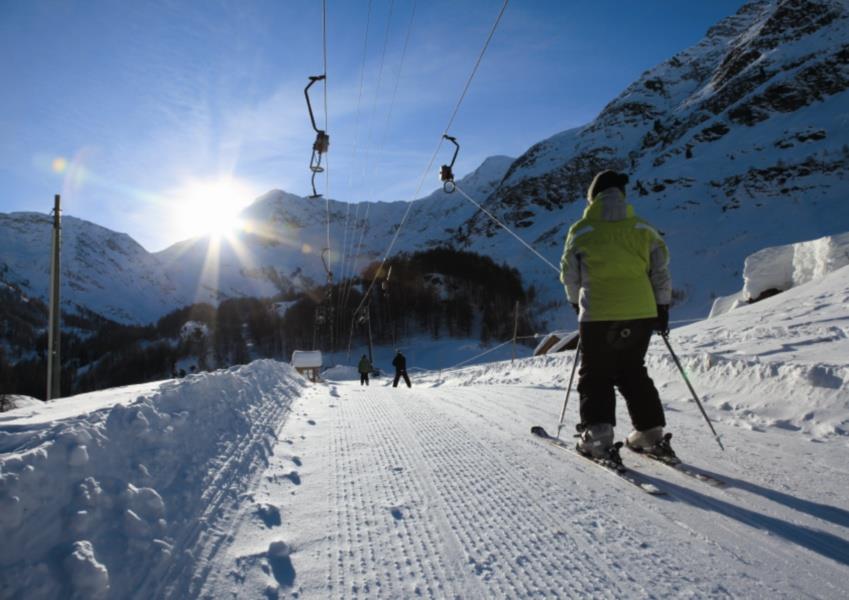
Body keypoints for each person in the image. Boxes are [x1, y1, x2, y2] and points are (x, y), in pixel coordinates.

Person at [560, 169, 675, 461]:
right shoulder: (643, 229)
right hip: (641, 312)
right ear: (621, 195)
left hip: (598, 314)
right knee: (632, 371)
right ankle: (650, 434)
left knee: (596, 374)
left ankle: (597, 436)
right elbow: (660, 272)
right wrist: (661, 308)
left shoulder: (582, 230)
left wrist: (576, 303)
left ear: (593, 197)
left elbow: (569, 276)